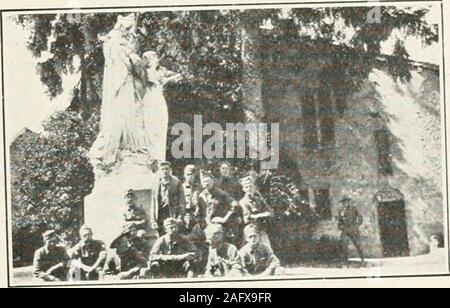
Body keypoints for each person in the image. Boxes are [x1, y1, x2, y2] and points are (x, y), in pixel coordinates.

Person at [197, 170, 240, 239]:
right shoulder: (201, 196)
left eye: (208, 181)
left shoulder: (221, 194)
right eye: (204, 181)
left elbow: (234, 204)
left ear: (213, 181)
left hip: (218, 227)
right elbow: (199, 213)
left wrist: (224, 219)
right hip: (205, 227)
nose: (206, 183)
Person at [150, 161, 186, 234]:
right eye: (162, 169)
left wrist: (180, 217)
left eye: (166, 169)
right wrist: (153, 220)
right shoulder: (156, 184)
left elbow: (182, 201)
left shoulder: (176, 182)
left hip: (172, 213)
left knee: (173, 233)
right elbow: (153, 203)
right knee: (161, 235)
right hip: (160, 214)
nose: (164, 171)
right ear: (159, 171)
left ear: (170, 170)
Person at [239, 176, 274, 248]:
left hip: (261, 229)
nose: (249, 189)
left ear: (254, 188)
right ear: (243, 189)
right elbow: (248, 218)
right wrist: (263, 214)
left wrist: (259, 215)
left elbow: (271, 212)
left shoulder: (259, 200)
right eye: (247, 187)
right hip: (250, 230)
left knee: (267, 249)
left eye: (251, 186)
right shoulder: (243, 202)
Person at [337, 196, 365, 263]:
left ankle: (362, 259)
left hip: (353, 229)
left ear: (349, 202)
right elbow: (339, 221)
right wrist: (340, 226)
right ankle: (345, 260)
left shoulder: (353, 209)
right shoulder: (341, 211)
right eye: (344, 202)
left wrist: (357, 225)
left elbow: (360, 217)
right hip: (345, 230)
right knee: (344, 244)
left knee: (358, 244)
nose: (345, 203)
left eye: (346, 202)